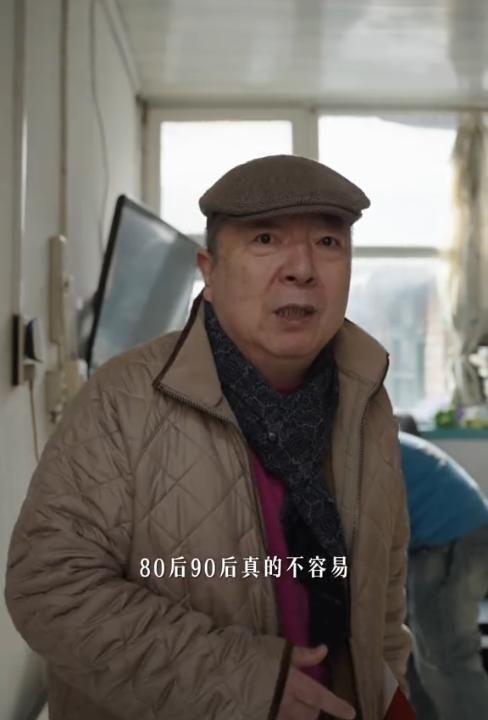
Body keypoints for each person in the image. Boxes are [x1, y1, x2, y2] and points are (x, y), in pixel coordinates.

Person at [5, 155, 413, 720]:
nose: (302, 268)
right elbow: (48, 589)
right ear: (209, 273)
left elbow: (383, 593)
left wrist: (386, 688)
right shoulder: (122, 400)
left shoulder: (366, 399)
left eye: (328, 242)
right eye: (266, 239)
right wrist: (240, 681)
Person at [397, 416, 488, 720]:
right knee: (411, 648)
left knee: (445, 657)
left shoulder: (363, 451)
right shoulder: (376, 442)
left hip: (452, 538)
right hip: (451, 533)